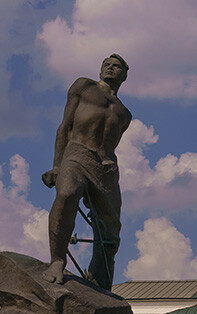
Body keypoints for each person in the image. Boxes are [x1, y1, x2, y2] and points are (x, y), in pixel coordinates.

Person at [41, 54, 132, 290]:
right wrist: (57, 165)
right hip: (77, 155)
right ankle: (57, 261)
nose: (110, 68)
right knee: (67, 194)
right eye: (106, 65)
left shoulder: (124, 114)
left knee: (110, 233)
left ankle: (100, 284)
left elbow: (110, 142)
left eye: (116, 66)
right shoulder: (84, 87)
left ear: (124, 75)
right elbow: (65, 127)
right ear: (100, 70)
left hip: (106, 170)